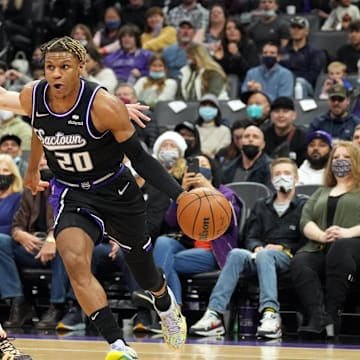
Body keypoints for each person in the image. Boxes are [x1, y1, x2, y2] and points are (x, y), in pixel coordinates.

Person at [0, 36, 187, 360]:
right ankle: (117, 344)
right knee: (73, 261)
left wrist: (179, 195)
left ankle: (164, 303)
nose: (55, 74)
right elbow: (39, 127)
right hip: (73, 193)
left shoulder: (104, 105)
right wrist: (31, 170)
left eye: (64, 67)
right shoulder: (35, 95)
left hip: (115, 191)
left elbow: (141, 159)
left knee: (145, 272)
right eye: (49, 67)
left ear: (82, 68)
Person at [190, 157, 307, 338]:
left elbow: (305, 238)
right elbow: (249, 235)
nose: (282, 177)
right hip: (260, 255)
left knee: (266, 256)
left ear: (296, 178)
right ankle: (214, 314)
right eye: (277, 174)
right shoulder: (262, 205)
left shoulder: (304, 204)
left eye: (287, 173)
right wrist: (257, 246)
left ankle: (270, 314)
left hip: (289, 257)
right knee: (236, 253)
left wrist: (282, 248)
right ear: (271, 179)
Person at [153, 153, 242, 311]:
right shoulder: (186, 194)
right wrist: (180, 192)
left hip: (214, 251)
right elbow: (171, 221)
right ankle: (172, 307)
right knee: (162, 243)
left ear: (213, 171)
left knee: (166, 263)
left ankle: (170, 309)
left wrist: (208, 188)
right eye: (196, 165)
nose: (200, 169)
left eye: (205, 165)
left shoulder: (227, 193)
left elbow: (228, 222)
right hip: (188, 246)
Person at [291, 141, 360, 336]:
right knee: (301, 261)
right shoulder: (322, 190)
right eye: (336, 157)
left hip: (354, 246)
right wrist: (322, 235)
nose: (340, 161)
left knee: (341, 247)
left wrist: (347, 232)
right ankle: (319, 317)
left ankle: (333, 313)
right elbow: (306, 220)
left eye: (346, 157)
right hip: (321, 246)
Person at [4, 155, 80, 331]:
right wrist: (20, 234)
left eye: (47, 158)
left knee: (64, 243)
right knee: (1, 242)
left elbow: (69, 220)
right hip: (32, 246)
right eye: (39, 159)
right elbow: (17, 224)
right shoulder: (29, 191)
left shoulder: (69, 189)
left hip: (59, 246)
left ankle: (57, 306)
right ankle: (18, 300)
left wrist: (53, 238)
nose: (43, 162)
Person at [279, 16, 325, 99]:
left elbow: (312, 76)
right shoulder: (282, 52)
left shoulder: (315, 53)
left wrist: (293, 80)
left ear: (306, 31)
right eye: (293, 27)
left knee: (300, 82)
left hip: (306, 87)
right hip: (285, 85)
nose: (296, 30)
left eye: (299, 28)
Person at [213, 19, 259, 88]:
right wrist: (219, 59)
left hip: (245, 83)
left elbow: (251, 71)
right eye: (228, 29)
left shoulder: (249, 46)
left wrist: (237, 55)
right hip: (225, 83)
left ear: (240, 31)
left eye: (236, 28)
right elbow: (219, 72)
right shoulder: (221, 47)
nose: (232, 31)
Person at [264, 96, 307, 166]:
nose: (281, 115)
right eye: (277, 111)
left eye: (285, 111)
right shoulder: (264, 136)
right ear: (271, 115)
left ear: (294, 115)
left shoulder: (303, 138)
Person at [195, 93, 231, 158]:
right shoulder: (194, 129)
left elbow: (222, 149)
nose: (207, 108)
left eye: (211, 106)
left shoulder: (224, 130)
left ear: (217, 110)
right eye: (204, 105)